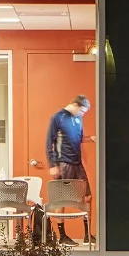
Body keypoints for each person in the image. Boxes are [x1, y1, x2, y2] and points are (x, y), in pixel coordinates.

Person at [45, 95, 92, 242]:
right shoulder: (58, 118)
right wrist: (52, 165)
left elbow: (79, 138)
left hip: (77, 163)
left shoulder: (78, 119)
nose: (82, 114)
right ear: (75, 105)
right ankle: (62, 235)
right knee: (62, 200)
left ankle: (87, 234)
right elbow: (49, 142)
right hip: (63, 163)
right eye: (82, 110)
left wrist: (91, 139)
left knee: (87, 197)